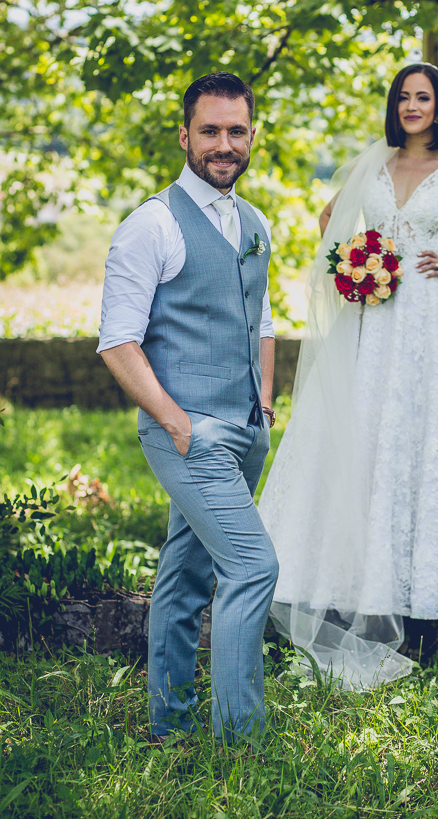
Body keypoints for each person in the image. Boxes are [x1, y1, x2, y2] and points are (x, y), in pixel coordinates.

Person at [258, 63, 438, 689]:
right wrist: (358, 267)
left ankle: (431, 593)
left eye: (424, 97)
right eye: (404, 97)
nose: (412, 106)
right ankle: (351, 579)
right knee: (365, 437)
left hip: (433, 323)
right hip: (373, 318)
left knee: (429, 442)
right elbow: (329, 221)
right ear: (394, 105)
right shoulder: (371, 167)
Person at [98, 72, 278, 742]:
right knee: (252, 566)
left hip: (245, 430)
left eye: (236, 130)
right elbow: (117, 341)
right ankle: (243, 742)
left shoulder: (254, 221)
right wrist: (176, 421)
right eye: (210, 131)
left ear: (252, 135)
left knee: (187, 569)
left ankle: (168, 724)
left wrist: (263, 400)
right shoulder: (151, 224)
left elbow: (259, 319)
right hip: (189, 433)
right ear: (185, 135)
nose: (224, 144)